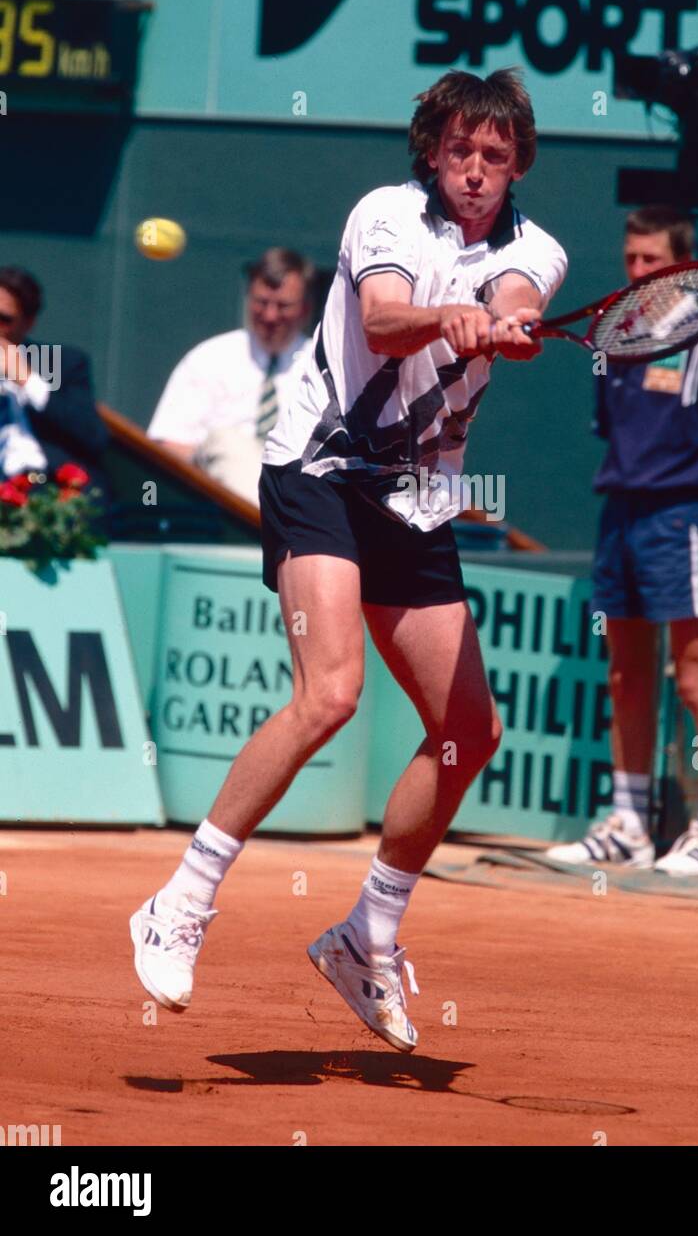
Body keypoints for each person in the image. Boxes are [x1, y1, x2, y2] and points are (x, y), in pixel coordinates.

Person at [130, 68, 568, 1050]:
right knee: (328, 692)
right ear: (430, 151)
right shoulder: (383, 215)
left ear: (515, 166)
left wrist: (504, 316)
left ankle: (365, 933)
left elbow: (510, 290)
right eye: (458, 150)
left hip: (415, 498)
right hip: (317, 470)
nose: (474, 170)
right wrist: (444, 318)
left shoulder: (537, 249)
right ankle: (180, 900)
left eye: (494, 157)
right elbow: (381, 315)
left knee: (468, 731)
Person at [547, 206, 698, 878]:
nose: (638, 271)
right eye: (631, 258)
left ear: (683, 265)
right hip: (620, 518)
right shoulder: (611, 342)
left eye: (652, 260)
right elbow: (615, 435)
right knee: (626, 675)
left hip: (681, 521)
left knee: (697, 679)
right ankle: (630, 826)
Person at [147, 248, 315, 503]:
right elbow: (167, 443)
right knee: (227, 442)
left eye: (283, 306)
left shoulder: (319, 364)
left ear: (305, 309)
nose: (270, 316)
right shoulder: (211, 358)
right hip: (218, 498)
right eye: (261, 302)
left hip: (299, 488)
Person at [0, 266, 109, 497]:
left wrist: (27, 379)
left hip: (48, 492)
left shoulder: (58, 363)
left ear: (28, 323)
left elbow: (93, 437)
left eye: (4, 319)